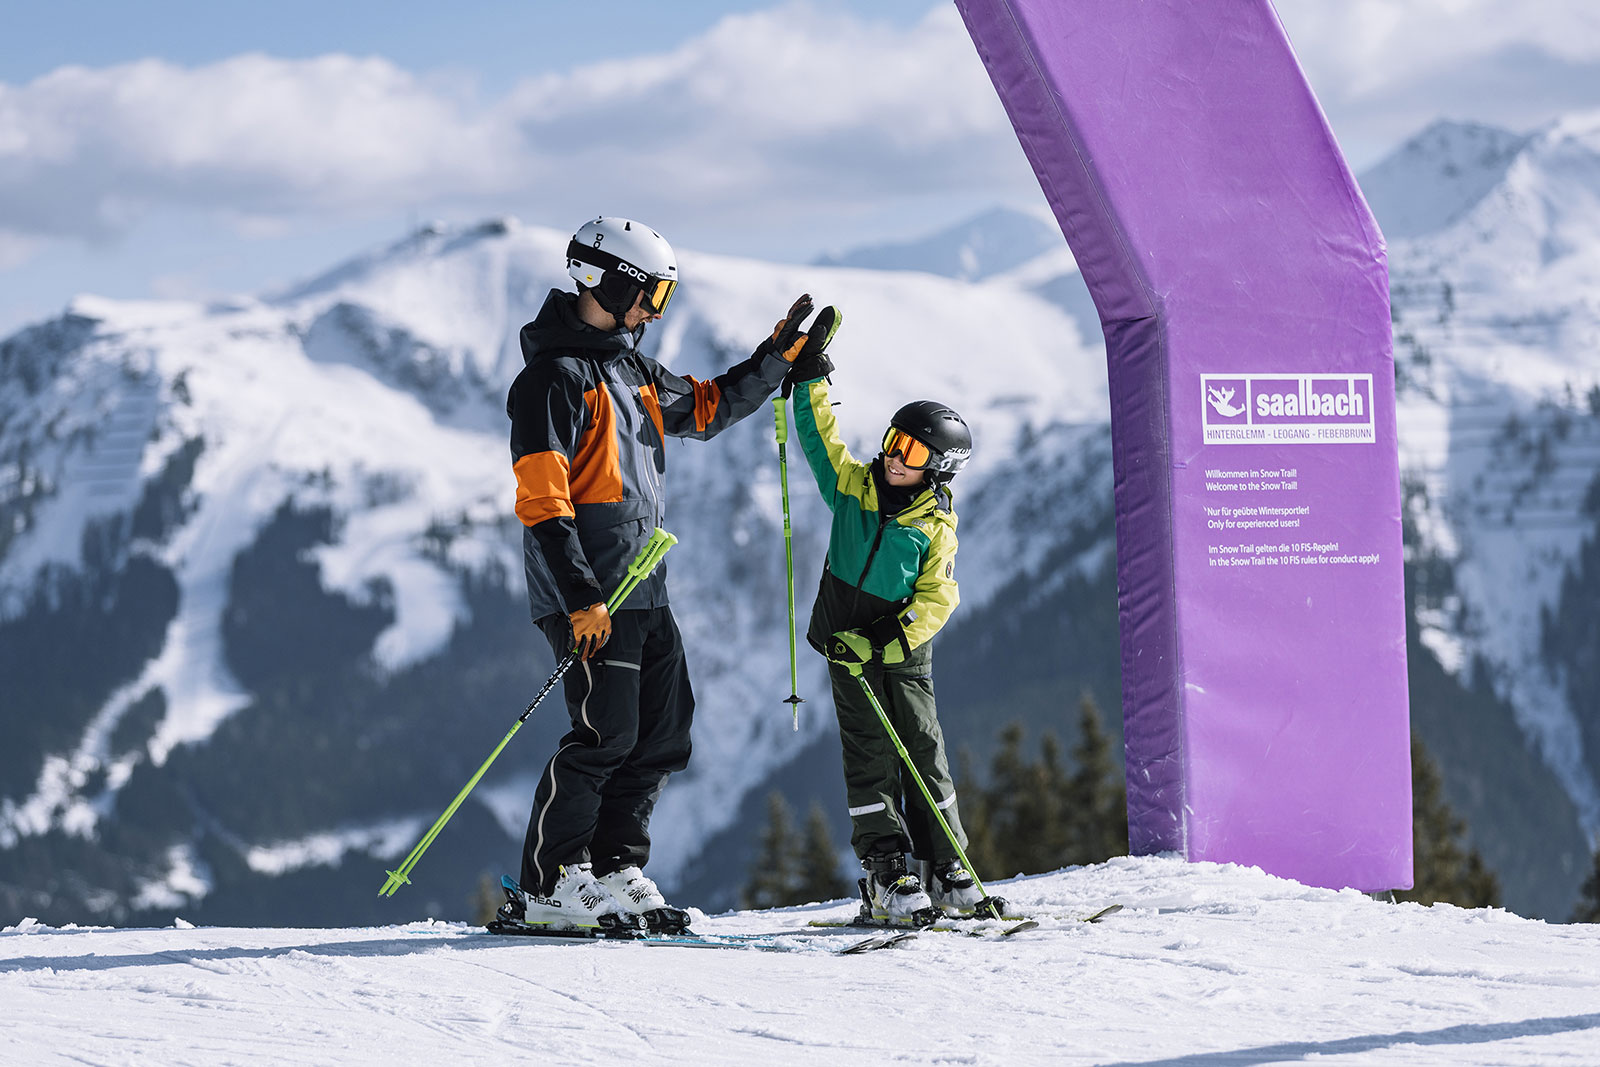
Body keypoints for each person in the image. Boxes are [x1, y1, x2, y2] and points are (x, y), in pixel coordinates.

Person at [501, 216, 830, 933]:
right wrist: (582, 595)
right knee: (604, 735)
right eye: (652, 293)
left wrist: (775, 359)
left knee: (662, 733)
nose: (655, 310)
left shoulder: (634, 370)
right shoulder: (549, 382)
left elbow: (706, 407)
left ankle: (615, 865)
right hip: (590, 595)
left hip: (644, 586)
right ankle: (551, 881)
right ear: (613, 283)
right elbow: (542, 499)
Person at [786, 325, 983, 924]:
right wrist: (810, 380)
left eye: (915, 451)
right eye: (896, 440)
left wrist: (883, 641)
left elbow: (936, 599)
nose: (897, 455)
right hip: (848, 656)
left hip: (900, 655)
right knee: (869, 757)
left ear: (938, 466)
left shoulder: (934, 526)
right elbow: (822, 444)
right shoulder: (856, 489)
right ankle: (887, 870)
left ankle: (948, 867)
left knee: (924, 752)